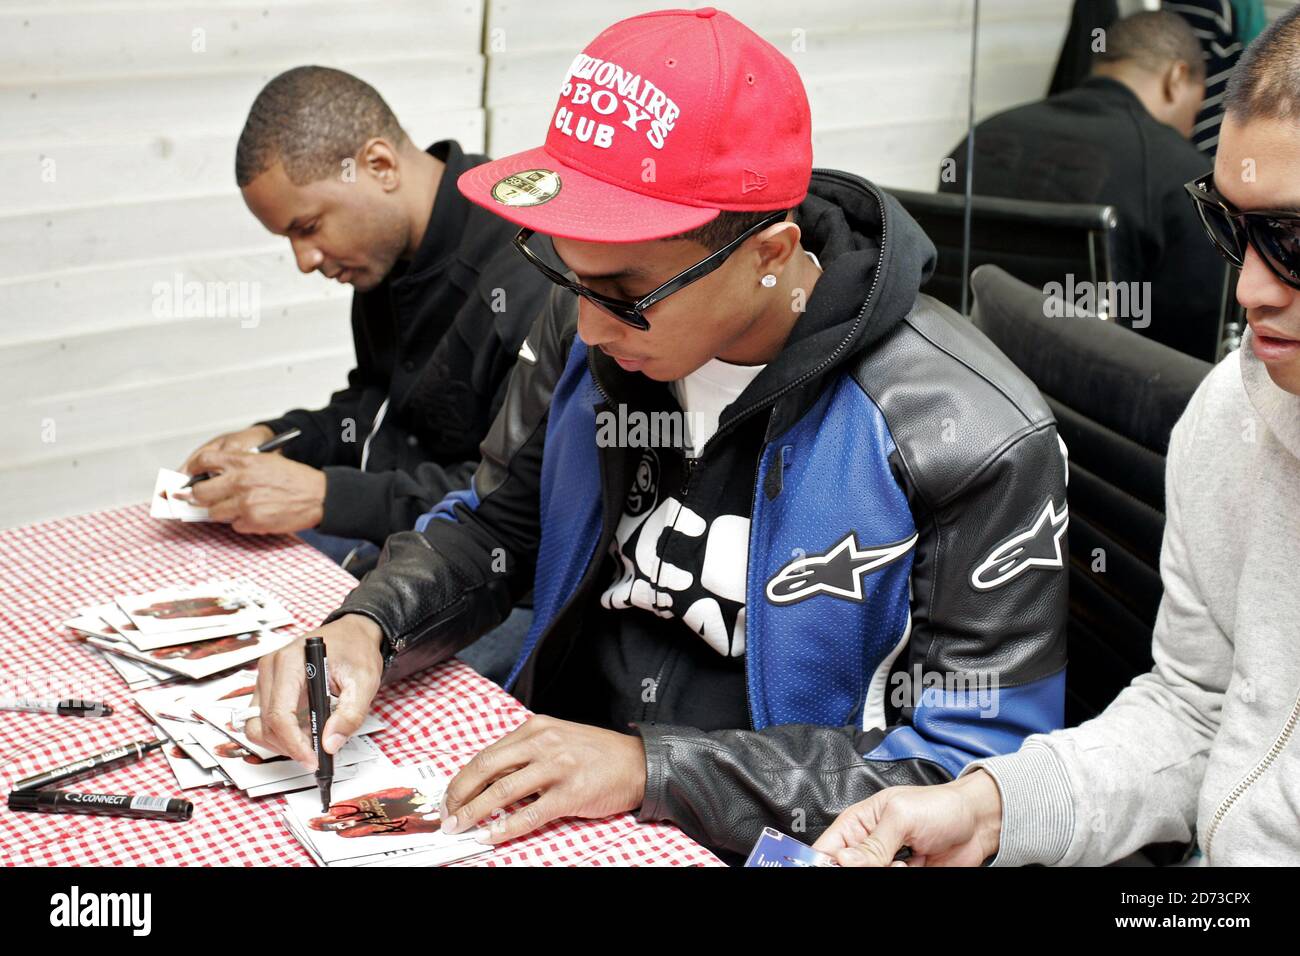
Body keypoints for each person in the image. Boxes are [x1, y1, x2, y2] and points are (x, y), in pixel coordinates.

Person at [247, 7, 1069, 859]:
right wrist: (366, 627)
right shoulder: (588, 328)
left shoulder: (966, 430)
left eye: (623, 293)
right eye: (564, 272)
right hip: (566, 780)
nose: (589, 328)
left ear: (769, 254)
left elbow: (972, 775)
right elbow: (495, 528)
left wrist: (654, 770)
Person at [815, 8, 1300, 868]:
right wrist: (989, 809)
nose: (1253, 288)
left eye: (1294, 241)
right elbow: (1195, 709)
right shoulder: (1231, 416)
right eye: (1234, 230)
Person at [180, 66, 556, 580]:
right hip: (398, 540)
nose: (304, 261)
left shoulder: (532, 271)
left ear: (379, 165)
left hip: (501, 579)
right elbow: (381, 409)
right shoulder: (385, 256)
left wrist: (326, 497)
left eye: (308, 227)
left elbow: (514, 501)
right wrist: (278, 437)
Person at [941, 11, 1224, 360]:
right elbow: (1198, 344)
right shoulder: (1183, 175)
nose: (1190, 129)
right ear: (1177, 78)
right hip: (1091, 404)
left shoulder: (979, 138)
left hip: (969, 378)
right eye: (1196, 111)